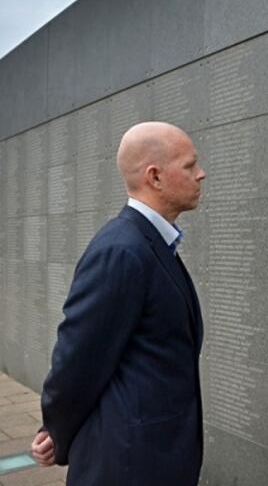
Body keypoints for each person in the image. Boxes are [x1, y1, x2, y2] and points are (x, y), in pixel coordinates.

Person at [31, 122, 207, 485]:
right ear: (154, 177)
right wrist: (56, 433)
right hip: (129, 466)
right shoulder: (122, 250)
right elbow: (77, 360)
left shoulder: (151, 244)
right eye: (190, 166)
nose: (201, 174)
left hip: (154, 457)